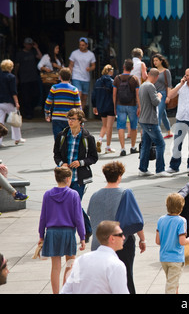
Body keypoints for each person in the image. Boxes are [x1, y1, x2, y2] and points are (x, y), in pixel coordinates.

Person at [87, 161, 146, 294]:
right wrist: (142, 239)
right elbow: (135, 220)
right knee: (125, 279)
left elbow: (91, 216)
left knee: (103, 282)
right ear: (120, 176)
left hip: (99, 244)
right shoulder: (125, 193)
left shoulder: (95, 195)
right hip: (121, 244)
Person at [38, 166, 86, 294]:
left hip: (52, 232)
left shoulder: (47, 195)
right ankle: (66, 290)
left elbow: (43, 216)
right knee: (70, 263)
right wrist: (82, 236)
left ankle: (55, 293)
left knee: (55, 267)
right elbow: (78, 218)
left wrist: (41, 235)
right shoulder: (73, 194)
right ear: (68, 179)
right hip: (68, 232)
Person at [53, 108, 98, 241]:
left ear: (80, 121)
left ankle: (82, 232)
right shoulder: (62, 135)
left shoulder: (87, 137)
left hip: (79, 178)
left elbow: (93, 157)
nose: (70, 121)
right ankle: (87, 230)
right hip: (65, 177)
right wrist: (62, 163)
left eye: (73, 119)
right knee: (70, 205)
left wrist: (81, 162)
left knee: (74, 204)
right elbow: (56, 154)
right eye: (69, 118)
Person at [60, 220, 129, 294]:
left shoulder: (81, 260)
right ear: (112, 238)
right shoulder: (116, 265)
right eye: (121, 234)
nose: (124, 237)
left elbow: (66, 291)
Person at [156, 193, 189, 294]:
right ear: (181, 207)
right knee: (171, 286)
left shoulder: (161, 220)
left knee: (172, 282)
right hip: (176, 258)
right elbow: (182, 241)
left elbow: (158, 241)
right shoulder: (181, 221)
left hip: (164, 257)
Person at [138, 68, 172, 177]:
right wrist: (160, 96)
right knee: (160, 144)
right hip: (150, 120)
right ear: (157, 77)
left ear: (148, 74)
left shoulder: (143, 85)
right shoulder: (150, 86)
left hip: (143, 119)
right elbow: (156, 102)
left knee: (146, 144)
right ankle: (160, 170)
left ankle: (143, 169)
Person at [166, 68, 189, 176]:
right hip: (181, 117)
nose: (188, 77)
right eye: (187, 75)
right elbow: (170, 95)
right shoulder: (181, 86)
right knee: (177, 142)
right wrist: (180, 84)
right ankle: (174, 166)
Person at [113, 59, 140, 157]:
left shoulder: (117, 78)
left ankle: (122, 148)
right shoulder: (134, 79)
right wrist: (139, 107)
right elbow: (137, 95)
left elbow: (114, 94)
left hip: (120, 105)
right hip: (132, 105)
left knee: (121, 126)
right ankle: (132, 147)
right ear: (132, 68)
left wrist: (114, 106)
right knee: (133, 126)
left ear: (123, 67)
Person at [44, 67, 81, 139]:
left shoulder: (54, 88)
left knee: (58, 140)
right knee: (69, 139)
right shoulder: (74, 89)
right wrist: (80, 120)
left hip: (56, 118)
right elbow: (78, 107)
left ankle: (59, 150)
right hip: (70, 119)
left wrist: (47, 114)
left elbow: (48, 102)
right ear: (70, 77)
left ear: (60, 77)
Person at [14, 37, 42, 120]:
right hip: (24, 79)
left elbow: (40, 57)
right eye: (28, 44)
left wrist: (36, 47)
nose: (29, 46)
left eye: (30, 44)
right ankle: (28, 113)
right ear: (24, 44)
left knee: (35, 95)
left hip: (33, 78)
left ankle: (32, 110)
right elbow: (17, 66)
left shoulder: (33, 52)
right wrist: (16, 76)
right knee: (26, 97)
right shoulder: (20, 54)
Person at [0, 59, 25, 146]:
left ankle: (0, 140)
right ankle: (17, 138)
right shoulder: (11, 77)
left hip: (0, 102)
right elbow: (13, 91)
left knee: (0, 122)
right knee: (14, 119)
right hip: (9, 102)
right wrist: (17, 102)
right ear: (10, 67)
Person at [92, 64, 115, 153]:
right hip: (110, 106)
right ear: (110, 71)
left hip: (100, 106)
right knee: (110, 127)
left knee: (104, 125)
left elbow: (93, 95)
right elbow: (114, 94)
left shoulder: (98, 81)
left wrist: (94, 106)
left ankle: (100, 140)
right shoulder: (112, 82)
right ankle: (108, 147)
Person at [68, 37, 96, 111]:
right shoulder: (74, 53)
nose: (81, 46)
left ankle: (81, 113)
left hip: (86, 78)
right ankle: (76, 112)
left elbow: (93, 65)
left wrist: (89, 69)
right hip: (76, 76)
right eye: (80, 45)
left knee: (84, 97)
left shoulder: (91, 54)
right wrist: (69, 74)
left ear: (87, 45)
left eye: (83, 45)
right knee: (78, 95)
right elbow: (71, 64)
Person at [151, 53, 173, 139]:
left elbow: (169, 85)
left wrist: (168, 96)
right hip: (154, 94)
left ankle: (157, 135)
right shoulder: (153, 71)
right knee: (163, 114)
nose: (155, 62)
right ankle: (169, 131)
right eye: (154, 61)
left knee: (158, 114)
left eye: (156, 60)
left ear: (161, 61)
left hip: (163, 94)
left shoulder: (166, 71)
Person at [38, 43, 64, 108]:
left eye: (58, 48)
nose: (58, 50)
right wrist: (45, 69)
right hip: (49, 79)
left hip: (58, 79)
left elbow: (64, 69)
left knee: (57, 96)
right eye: (56, 48)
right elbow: (39, 65)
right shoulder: (46, 57)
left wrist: (57, 66)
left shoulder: (59, 58)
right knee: (49, 96)